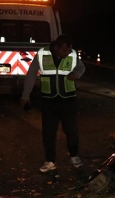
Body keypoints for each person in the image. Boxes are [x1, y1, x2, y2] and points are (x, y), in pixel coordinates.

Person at [20, 34, 86, 173]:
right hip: (49, 101)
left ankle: (74, 156)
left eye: (68, 50)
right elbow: (31, 74)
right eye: (64, 50)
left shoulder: (72, 54)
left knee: (71, 131)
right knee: (48, 132)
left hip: (68, 100)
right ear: (56, 47)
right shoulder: (42, 53)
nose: (66, 53)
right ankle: (50, 161)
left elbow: (81, 68)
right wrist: (26, 95)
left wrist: (76, 74)